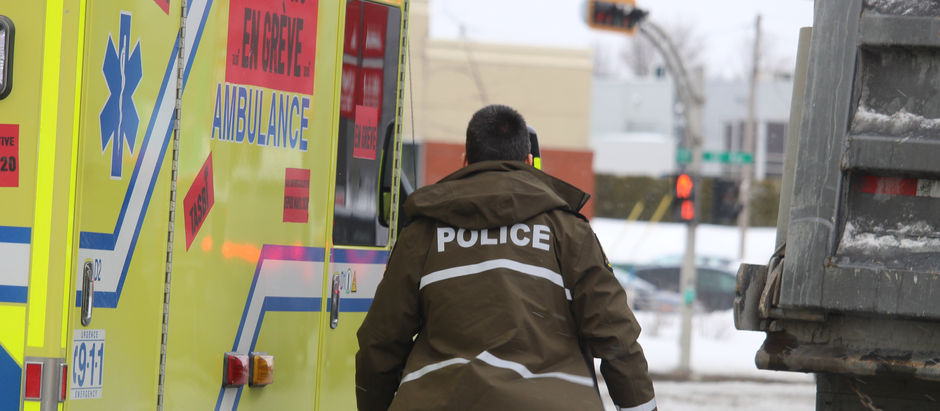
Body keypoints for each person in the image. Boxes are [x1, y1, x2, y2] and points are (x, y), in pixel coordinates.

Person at [356, 104, 656, 411]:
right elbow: (617, 339)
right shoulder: (568, 233)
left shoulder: (423, 234)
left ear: (466, 160)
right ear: (529, 162)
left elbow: (380, 343)